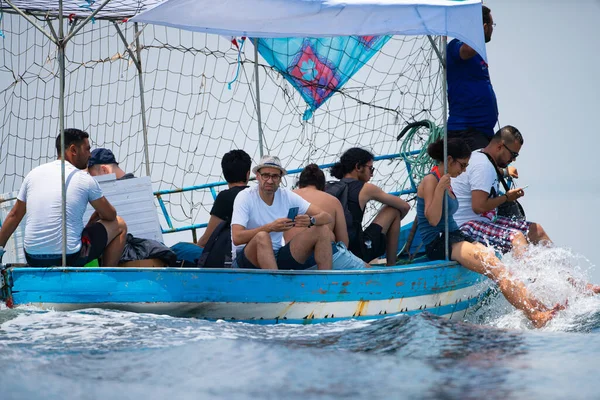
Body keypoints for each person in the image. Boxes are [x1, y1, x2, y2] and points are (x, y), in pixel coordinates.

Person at [417, 137, 561, 328]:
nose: (464, 170)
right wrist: (439, 190)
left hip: (456, 236)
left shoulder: (448, 180)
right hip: (440, 241)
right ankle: (535, 316)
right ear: (449, 160)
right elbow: (432, 219)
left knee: (501, 266)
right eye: (462, 165)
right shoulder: (431, 180)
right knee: (498, 270)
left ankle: (540, 307)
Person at [0, 129, 127, 267]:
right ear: (73, 150)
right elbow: (111, 215)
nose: (90, 155)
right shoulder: (84, 179)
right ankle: (106, 278)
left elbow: (14, 215)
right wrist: (95, 220)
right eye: (87, 149)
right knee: (119, 224)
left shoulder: (32, 174)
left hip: (33, 258)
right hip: (71, 257)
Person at [451, 126, 550, 257]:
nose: (513, 160)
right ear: (500, 146)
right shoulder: (483, 166)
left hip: (483, 222)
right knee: (516, 237)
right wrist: (506, 198)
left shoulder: (483, 157)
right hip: (466, 226)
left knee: (536, 230)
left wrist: (505, 172)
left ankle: (566, 277)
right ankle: (524, 277)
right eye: (513, 154)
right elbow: (478, 206)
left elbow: (492, 172)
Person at [231, 155, 333, 270]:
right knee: (262, 236)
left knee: (322, 229)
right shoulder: (245, 196)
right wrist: (271, 227)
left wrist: (311, 220)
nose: (270, 180)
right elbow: (237, 237)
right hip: (246, 259)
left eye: (275, 176)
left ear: (280, 179)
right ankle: (276, 285)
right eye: (266, 175)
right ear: (258, 177)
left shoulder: (286, 195)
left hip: (275, 256)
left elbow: (327, 217)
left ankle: (324, 283)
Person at [330, 148, 410, 265]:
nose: (372, 174)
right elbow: (405, 206)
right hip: (357, 251)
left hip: (335, 250)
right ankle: (391, 265)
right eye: (370, 168)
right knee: (393, 210)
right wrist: (390, 226)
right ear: (358, 167)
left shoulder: (329, 187)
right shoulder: (366, 188)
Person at [284, 164, 367, 269]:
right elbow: (343, 242)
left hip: (294, 257)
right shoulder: (332, 200)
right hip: (325, 255)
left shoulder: (288, 197)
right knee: (369, 271)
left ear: (300, 184)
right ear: (323, 186)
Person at [447, 5, 498, 151]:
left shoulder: (479, 53)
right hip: (466, 131)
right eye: (491, 25)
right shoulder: (455, 45)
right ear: (483, 26)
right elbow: (466, 51)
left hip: (483, 132)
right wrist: (477, 33)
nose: (492, 29)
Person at [197, 149, 251, 247]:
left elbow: (207, 238)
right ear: (248, 174)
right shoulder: (256, 194)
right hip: (256, 247)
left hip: (232, 254)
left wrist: (197, 246)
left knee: (181, 249)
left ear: (225, 174)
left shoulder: (225, 197)